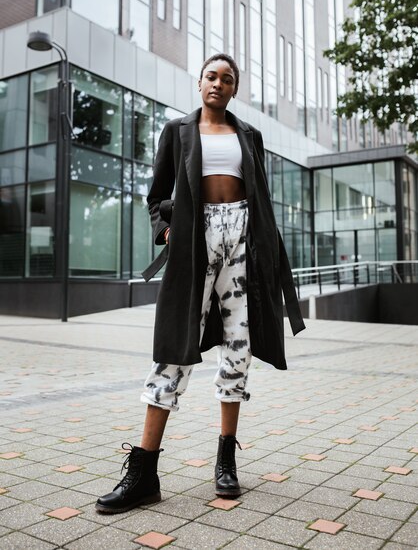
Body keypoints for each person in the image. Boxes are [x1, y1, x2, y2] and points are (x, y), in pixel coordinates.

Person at [95, 53, 305, 514]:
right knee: (174, 348)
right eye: (212, 76)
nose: (218, 83)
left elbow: (260, 194)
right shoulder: (178, 131)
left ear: (233, 89)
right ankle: (145, 472)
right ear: (199, 82)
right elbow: (157, 196)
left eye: (227, 79)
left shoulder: (249, 135)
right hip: (195, 242)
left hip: (244, 243)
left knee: (239, 349)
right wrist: (166, 230)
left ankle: (226, 461)